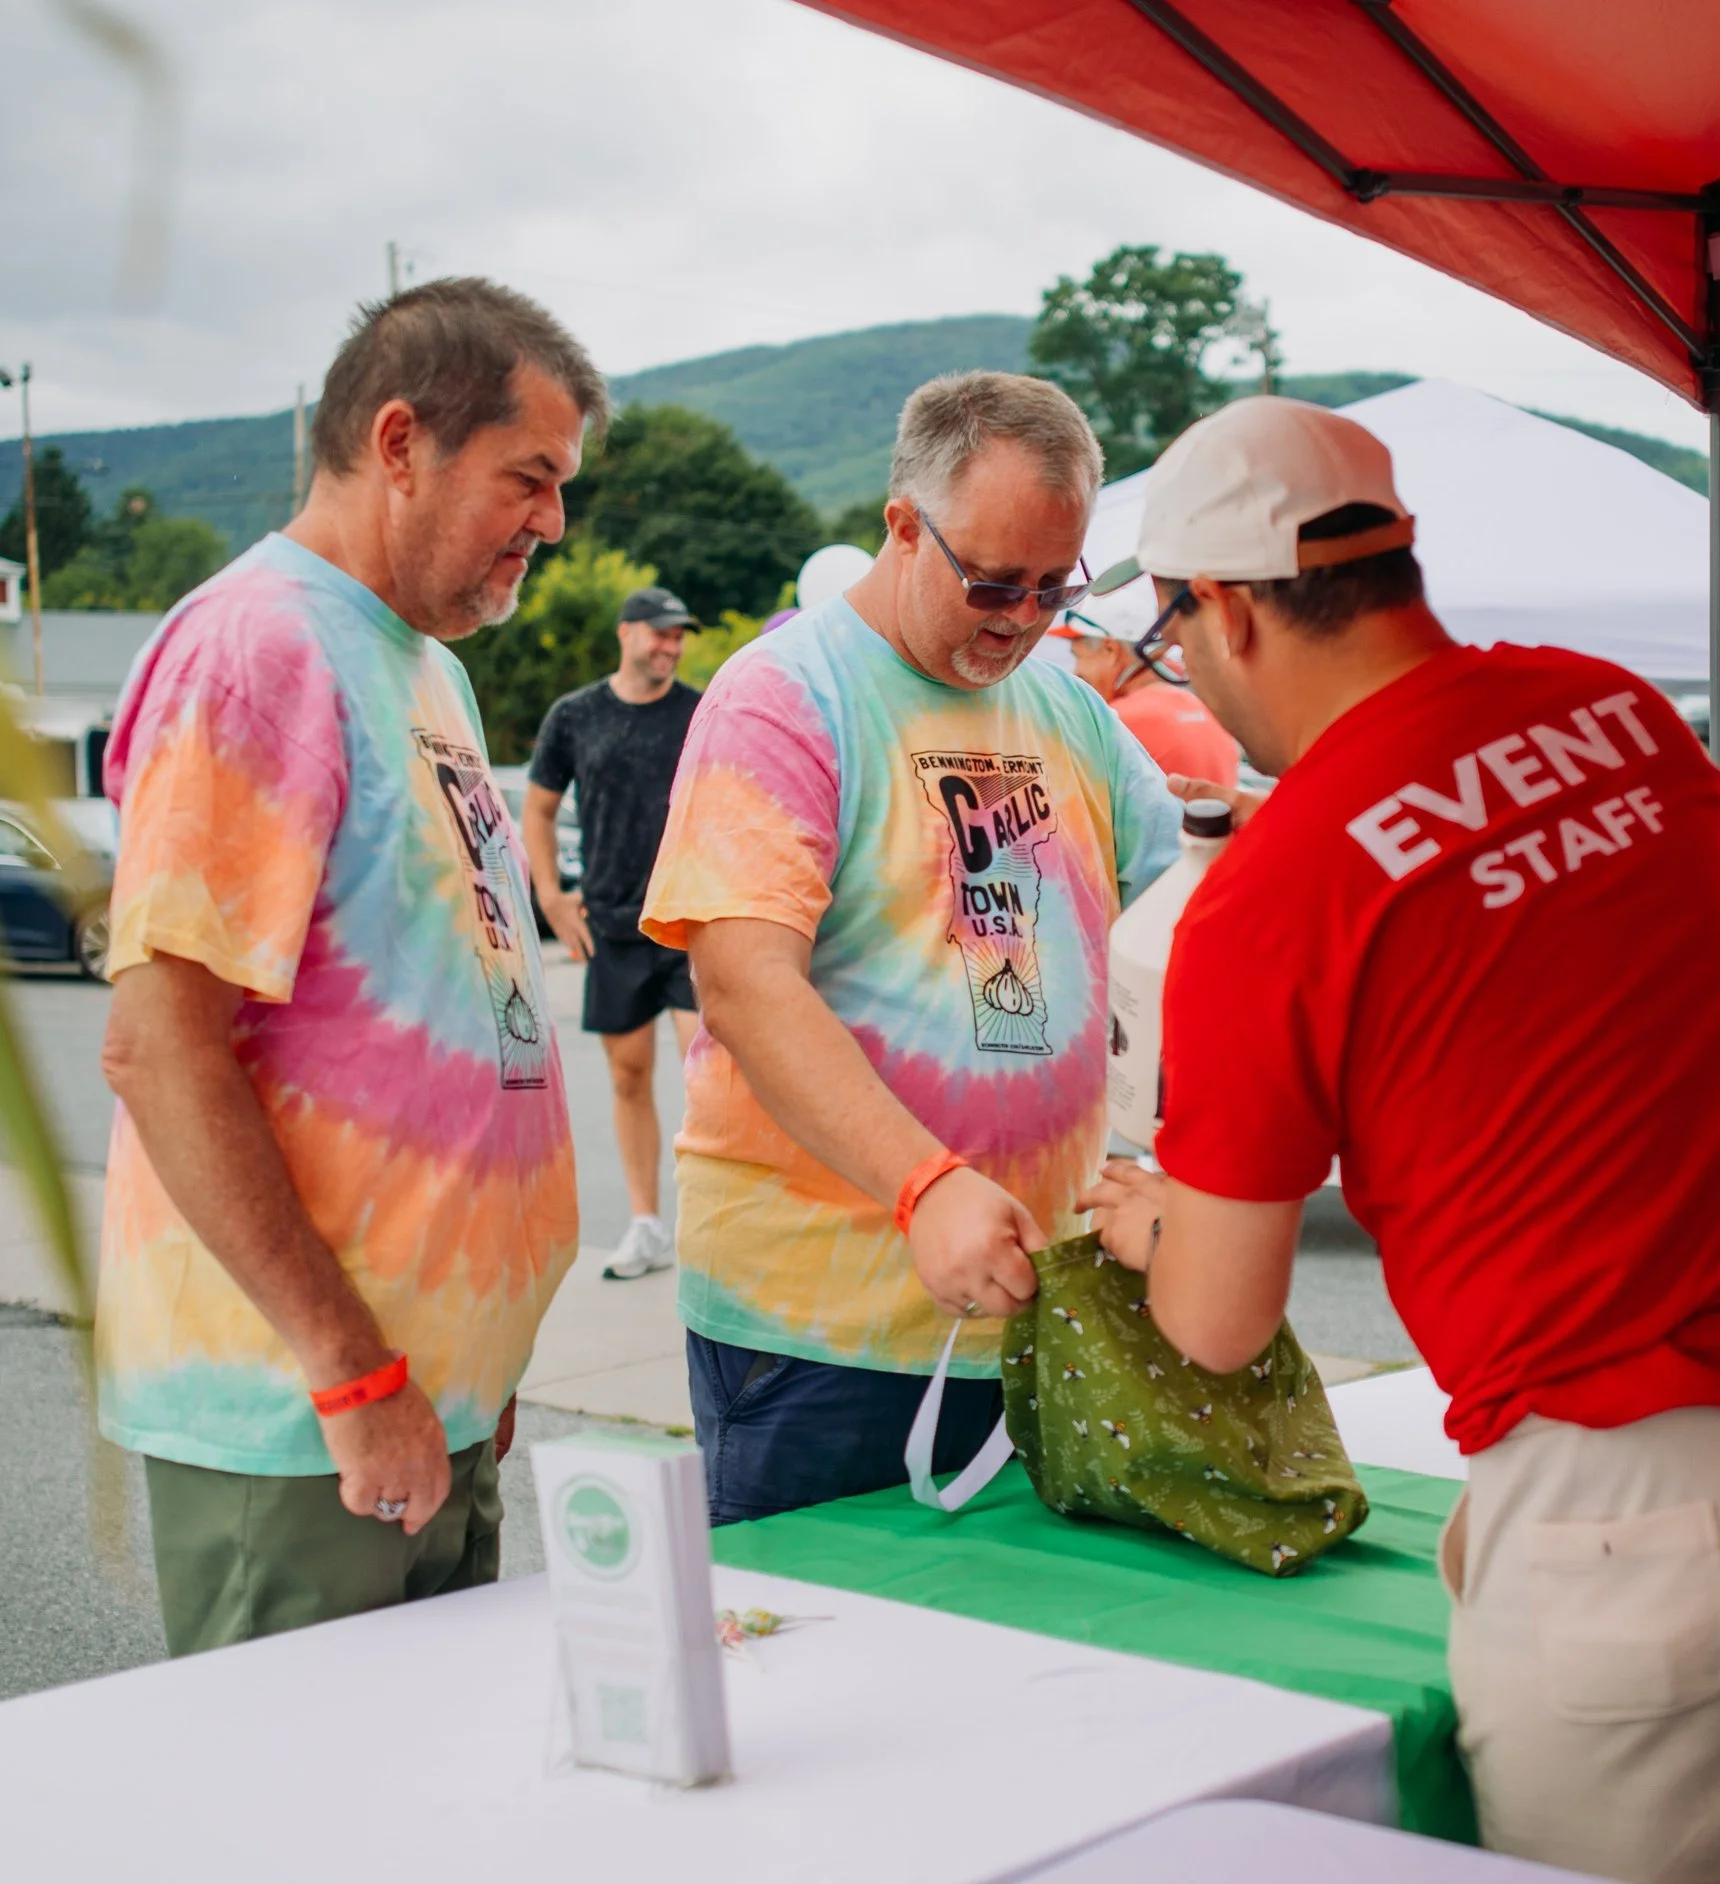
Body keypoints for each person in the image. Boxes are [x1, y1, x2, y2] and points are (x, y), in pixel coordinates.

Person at [1084, 394, 1720, 1884]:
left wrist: (1151, 1222)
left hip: (1626, 1493)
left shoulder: (1270, 890)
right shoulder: (1616, 713)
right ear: (1394, 557)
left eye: (1176, 640)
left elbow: (1218, 1320)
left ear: (1221, 609)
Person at [96, 278, 601, 1653]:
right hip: (305, 1426)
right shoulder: (257, 649)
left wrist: (460, 1365)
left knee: (413, 1836)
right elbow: (160, 1049)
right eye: (530, 477)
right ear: (399, 444)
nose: (553, 522)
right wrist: (350, 1369)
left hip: (416, 1407)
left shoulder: (423, 667)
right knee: (302, 1840)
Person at [640, 371, 1180, 1523]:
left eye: (1053, 586)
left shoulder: (1062, 702)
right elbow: (740, 983)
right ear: (900, 526)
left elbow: (1179, 900)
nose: (1021, 615)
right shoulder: (781, 698)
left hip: (1027, 1306)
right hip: (819, 1333)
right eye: (990, 579)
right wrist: (922, 1182)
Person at [525, 586, 704, 1280]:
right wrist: (551, 896)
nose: (670, 645)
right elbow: (537, 811)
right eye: (660, 633)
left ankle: (708, 1230)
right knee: (629, 1078)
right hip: (612, 924)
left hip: (689, 920)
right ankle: (646, 1226)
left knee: (707, 1074)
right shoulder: (574, 716)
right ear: (627, 633)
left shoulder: (698, 711)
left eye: (678, 635)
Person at [1049, 578, 1239, 787]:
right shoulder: (1205, 708)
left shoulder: (1114, 722)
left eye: (1079, 656)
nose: (1076, 672)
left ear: (1111, 650)